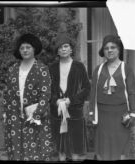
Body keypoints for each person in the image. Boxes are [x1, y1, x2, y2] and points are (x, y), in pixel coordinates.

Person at [2, 33, 53, 161]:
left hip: (34, 118)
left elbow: (45, 94)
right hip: (14, 118)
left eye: (28, 47)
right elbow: (7, 93)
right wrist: (5, 113)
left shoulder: (42, 69)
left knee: (36, 152)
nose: (25, 50)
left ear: (34, 49)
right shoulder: (12, 69)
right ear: (19, 51)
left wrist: (36, 114)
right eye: (22, 48)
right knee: (16, 151)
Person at [89, 35, 135, 160]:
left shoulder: (126, 69)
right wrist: (92, 113)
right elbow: (93, 94)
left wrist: (133, 113)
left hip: (120, 116)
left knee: (121, 152)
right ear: (103, 51)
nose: (110, 50)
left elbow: (132, 92)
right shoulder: (98, 69)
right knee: (102, 152)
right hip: (102, 116)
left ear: (119, 49)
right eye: (106, 48)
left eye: (113, 47)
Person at [49, 33, 91, 161]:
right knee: (60, 149)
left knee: (75, 148)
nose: (63, 49)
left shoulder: (79, 66)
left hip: (74, 112)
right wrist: (55, 100)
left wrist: (71, 100)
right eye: (60, 47)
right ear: (57, 51)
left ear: (71, 49)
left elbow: (86, 88)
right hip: (57, 112)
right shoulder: (51, 68)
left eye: (66, 46)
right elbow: (46, 89)